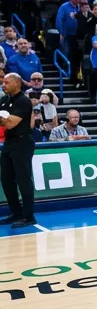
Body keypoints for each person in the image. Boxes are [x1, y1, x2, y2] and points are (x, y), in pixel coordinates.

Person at [0, 72, 37, 227]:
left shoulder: (24, 101)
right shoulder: (3, 100)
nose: (3, 85)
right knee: (6, 180)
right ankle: (16, 213)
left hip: (23, 143)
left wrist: (4, 120)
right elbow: (5, 121)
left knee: (23, 180)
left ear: (16, 83)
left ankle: (29, 217)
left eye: (6, 82)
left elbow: (10, 124)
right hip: (8, 143)